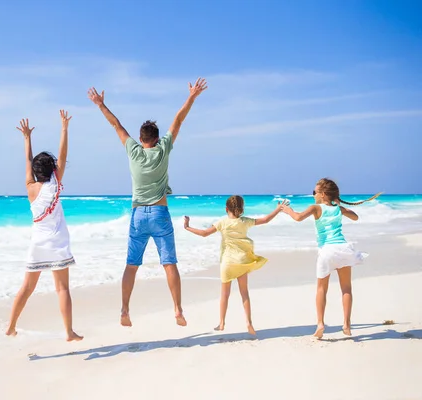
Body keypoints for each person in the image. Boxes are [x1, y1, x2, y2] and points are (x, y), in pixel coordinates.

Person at [87, 78, 208, 327]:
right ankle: (177, 309)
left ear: (141, 138)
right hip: (160, 213)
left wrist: (100, 104)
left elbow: (116, 125)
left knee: (132, 265)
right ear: (156, 138)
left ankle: (124, 310)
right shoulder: (163, 150)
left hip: (138, 216)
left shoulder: (133, 151)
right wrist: (192, 97)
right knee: (169, 263)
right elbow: (178, 120)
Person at [6, 110, 83, 342]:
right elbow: (63, 153)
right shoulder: (55, 184)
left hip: (37, 243)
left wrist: (27, 138)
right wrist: (64, 128)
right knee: (62, 289)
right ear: (53, 170)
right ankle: (69, 332)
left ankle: (10, 326)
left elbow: (28, 162)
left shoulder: (30, 187)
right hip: (57, 242)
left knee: (27, 288)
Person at [281, 178, 381, 339]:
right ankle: (347, 325)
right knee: (346, 288)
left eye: (314, 192)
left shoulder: (315, 208)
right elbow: (355, 217)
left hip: (327, 251)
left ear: (322, 194)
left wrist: (288, 210)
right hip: (343, 249)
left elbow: (298, 218)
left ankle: (320, 323)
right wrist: (339, 206)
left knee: (321, 288)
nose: (313, 194)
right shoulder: (338, 209)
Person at [184, 196, 286, 335]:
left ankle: (221, 323)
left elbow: (204, 233)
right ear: (241, 209)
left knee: (224, 295)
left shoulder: (222, 222)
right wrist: (277, 209)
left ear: (226, 209)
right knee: (244, 293)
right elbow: (266, 219)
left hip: (227, 263)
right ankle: (249, 322)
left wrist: (187, 227)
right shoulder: (244, 221)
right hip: (242, 261)